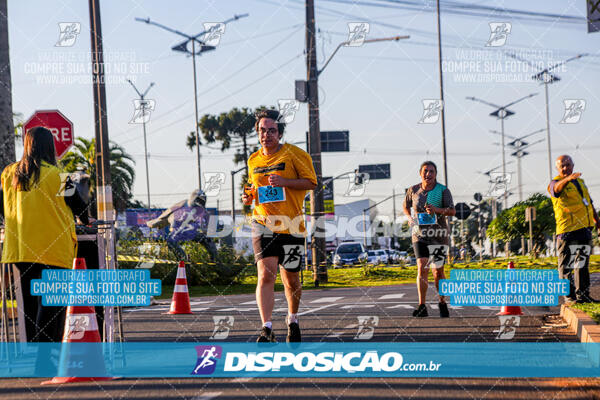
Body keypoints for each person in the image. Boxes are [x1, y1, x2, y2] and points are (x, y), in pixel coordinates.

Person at [0, 126, 87, 343]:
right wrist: (86, 221)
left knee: (29, 304)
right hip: (53, 249)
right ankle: (45, 355)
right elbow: (80, 208)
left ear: (27, 145)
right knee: (51, 305)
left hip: (20, 249)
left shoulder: (10, 174)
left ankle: (35, 351)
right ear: (51, 147)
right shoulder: (59, 176)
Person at [242, 109, 317, 342]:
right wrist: (248, 198)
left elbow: (311, 182)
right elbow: (253, 189)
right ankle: (266, 328)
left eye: (271, 130)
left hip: (292, 225)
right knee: (265, 274)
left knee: (291, 278)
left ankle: (292, 319)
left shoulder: (295, 154)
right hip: (262, 223)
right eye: (262, 130)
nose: (266, 135)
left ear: (280, 133)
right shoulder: (253, 159)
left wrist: (285, 182)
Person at [403, 161, 455, 318]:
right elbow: (405, 206)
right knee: (421, 266)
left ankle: (442, 302)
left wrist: (436, 210)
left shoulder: (443, 191)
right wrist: (409, 218)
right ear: (420, 173)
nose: (428, 174)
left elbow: (452, 211)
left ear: (435, 174)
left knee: (437, 271)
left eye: (431, 171)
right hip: (419, 234)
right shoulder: (413, 190)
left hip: (438, 236)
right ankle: (421, 306)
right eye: (425, 171)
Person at [548, 155, 600, 304]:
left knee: (582, 264)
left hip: (584, 229)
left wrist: (597, 221)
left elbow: (588, 202)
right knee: (566, 266)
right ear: (557, 169)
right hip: (567, 231)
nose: (565, 168)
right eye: (562, 166)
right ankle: (569, 297)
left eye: (568, 165)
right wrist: (567, 179)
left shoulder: (581, 182)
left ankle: (583, 295)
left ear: (573, 165)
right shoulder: (555, 183)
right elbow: (556, 191)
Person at [146, 189, 217, 261]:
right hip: (178, 229)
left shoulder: (202, 210)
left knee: (207, 240)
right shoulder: (184, 204)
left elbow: (207, 223)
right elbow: (170, 212)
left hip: (191, 231)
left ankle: (215, 260)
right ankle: (183, 259)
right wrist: (159, 219)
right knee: (171, 240)